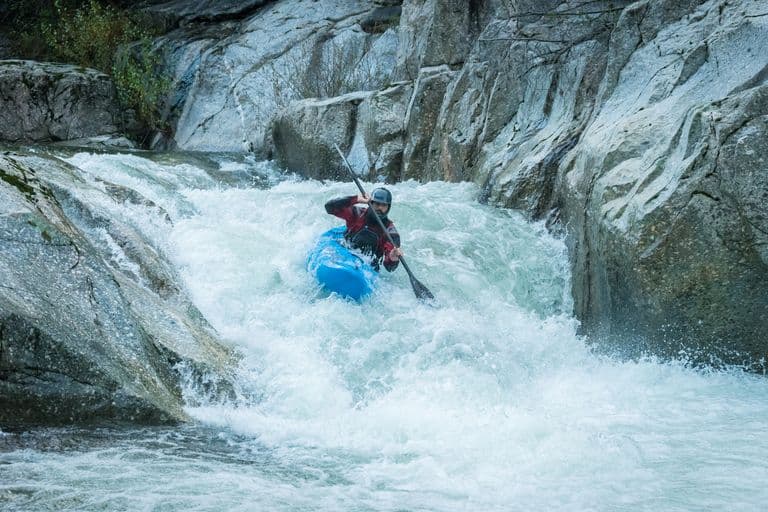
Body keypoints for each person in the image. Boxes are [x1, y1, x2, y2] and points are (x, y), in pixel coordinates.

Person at [324, 187, 404, 272]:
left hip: (368, 267)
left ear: (388, 207)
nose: (380, 208)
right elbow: (329, 208)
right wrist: (356, 199)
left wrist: (392, 258)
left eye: (384, 205)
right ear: (371, 203)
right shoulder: (357, 214)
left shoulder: (391, 233)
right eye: (377, 204)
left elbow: (389, 268)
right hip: (346, 252)